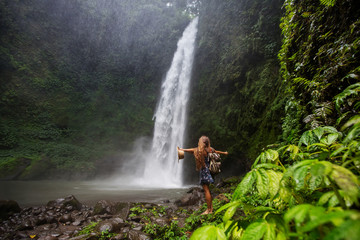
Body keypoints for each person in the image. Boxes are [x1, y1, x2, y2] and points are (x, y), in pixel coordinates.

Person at [178, 136, 228, 215]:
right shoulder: (210, 149)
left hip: (204, 171)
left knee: (206, 190)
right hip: (209, 170)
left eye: (199, 141)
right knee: (208, 190)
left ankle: (208, 210)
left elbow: (191, 150)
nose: (199, 142)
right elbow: (216, 151)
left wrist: (182, 150)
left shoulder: (199, 150)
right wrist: (224, 153)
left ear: (202, 142)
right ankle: (211, 209)